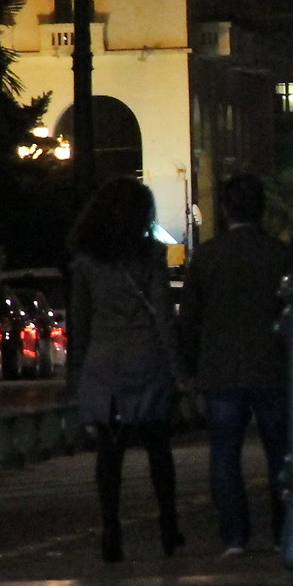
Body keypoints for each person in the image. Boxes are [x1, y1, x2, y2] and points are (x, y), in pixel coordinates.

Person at [179, 172, 293, 556]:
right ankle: (285, 530)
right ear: (262, 209)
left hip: (222, 368)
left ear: (226, 208)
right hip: (272, 366)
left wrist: (190, 371)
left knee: (225, 455)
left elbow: (191, 318)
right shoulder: (279, 255)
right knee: (280, 452)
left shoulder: (208, 256)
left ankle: (234, 535)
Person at [69, 177, 183, 561]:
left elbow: (79, 326)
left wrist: (76, 379)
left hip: (104, 364)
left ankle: (111, 530)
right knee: (157, 448)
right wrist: (178, 368)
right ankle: (168, 525)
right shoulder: (151, 255)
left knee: (109, 453)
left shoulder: (85, 262)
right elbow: (164, 317)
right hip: (145, 359)